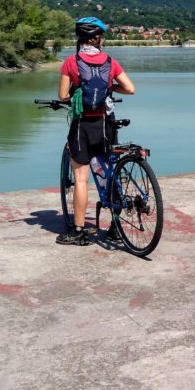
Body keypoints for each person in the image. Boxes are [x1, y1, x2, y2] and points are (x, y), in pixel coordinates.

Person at [56, 16, 136, 245]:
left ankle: (79, 231)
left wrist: (75, 94)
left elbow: (63, 95)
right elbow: (130, 89)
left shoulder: (70, 62)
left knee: (81, 179)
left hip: (83, 126)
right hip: (106, 124)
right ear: (99, 39)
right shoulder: (111, 62)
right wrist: (110, 86)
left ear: (80, 39)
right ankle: (116, 228)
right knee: (109, 173)